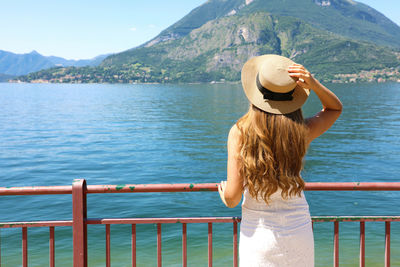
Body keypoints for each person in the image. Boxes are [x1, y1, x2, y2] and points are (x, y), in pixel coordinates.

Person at [218, 54, 342, 266]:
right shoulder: (301, 131)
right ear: (294, 96)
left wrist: (224, 191)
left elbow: (232, 199)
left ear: (255, 93)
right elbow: (334, 109)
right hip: (298, 231)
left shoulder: (240, 133)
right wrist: (314, 84)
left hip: (258, 235)